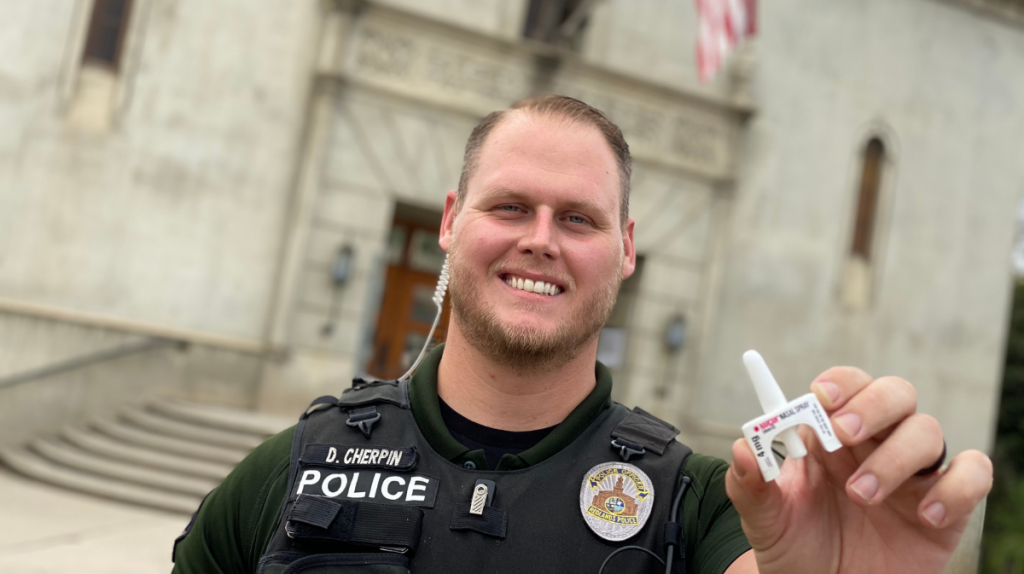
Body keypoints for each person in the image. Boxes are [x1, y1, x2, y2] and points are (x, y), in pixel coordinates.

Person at [171, 95, 993, 573]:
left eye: (578, 218)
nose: (541, 239)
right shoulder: (289, 473)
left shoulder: (701, 509)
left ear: (627, 248)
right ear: (452, 223)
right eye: (509, 206)